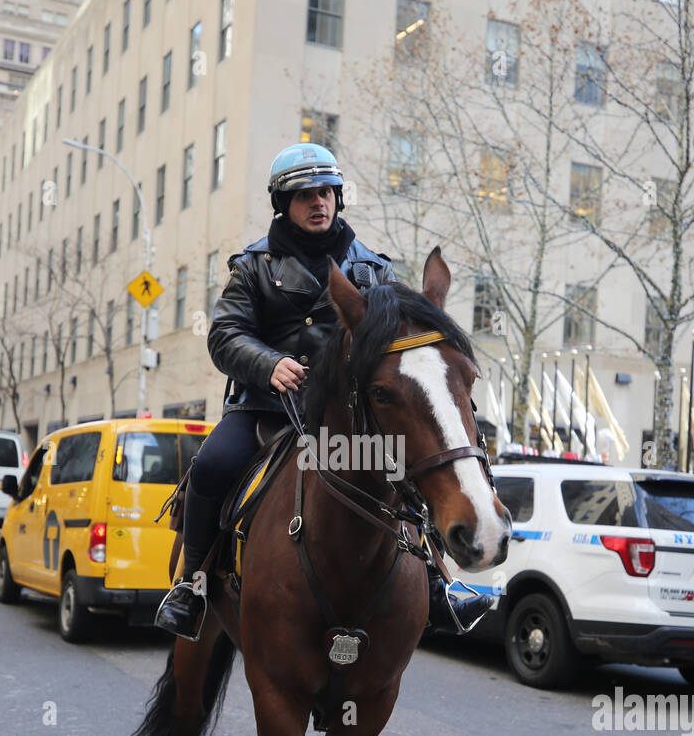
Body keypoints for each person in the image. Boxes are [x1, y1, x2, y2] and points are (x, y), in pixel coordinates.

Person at [154, 142, 494, 641]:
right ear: (282, 205)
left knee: (410, 463)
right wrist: (269, 363)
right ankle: (193, 586)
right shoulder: (252, 266)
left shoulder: (374, 269)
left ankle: (439, 584)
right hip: (269, 409)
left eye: (328, 193)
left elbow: (402, 344)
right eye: (305, 195)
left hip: (349, 416)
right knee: (212, 464)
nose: (320, 202)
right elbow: (224, 335)